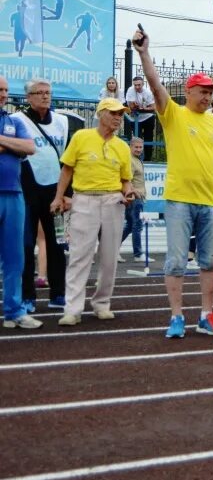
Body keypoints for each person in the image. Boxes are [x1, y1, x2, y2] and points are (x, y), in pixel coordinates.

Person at [134, 28, 213, 339]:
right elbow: (154, 84)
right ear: (189, 92)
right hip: (179, 199)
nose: (208, 96)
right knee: (176, 261)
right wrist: (143, 53)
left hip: (210, 202)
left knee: (209, 261)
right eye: (203, 91)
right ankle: (177, 316)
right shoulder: (173, 115)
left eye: (210, 92)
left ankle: (206, 315)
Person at [49, 98, 134, 326]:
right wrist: (59, 197)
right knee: (79, 256)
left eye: (120, 114)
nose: (118, 118)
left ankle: (102, 303)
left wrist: (128, 192)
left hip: (113, 200)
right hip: (84, 199)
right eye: (114, 113)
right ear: (101, 113)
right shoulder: (81, 137)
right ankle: (72, 309)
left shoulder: (122, 147)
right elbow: (67, 170)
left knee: (109, 258)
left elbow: (125, 180)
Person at [11, 78, 68, 313]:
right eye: (39, 92)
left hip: (54, 192)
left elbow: (67, 160)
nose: (45, 96)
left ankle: (58, 294)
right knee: (25, 245)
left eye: (48, 92)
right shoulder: (17, 120)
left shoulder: (62, 122)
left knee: (57, 245)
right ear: (28, 97)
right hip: (26, 191)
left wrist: (66, 193)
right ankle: (27, 297)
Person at [0, 75, 41, 329]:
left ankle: (14, 311)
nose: (3, 94)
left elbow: (29, 147)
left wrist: (3, 142)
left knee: (15, 257)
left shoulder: (14, 120)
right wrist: (12, 145)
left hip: (14, 195)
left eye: (5, 90)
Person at [120, 138, 149, 262]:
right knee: (137, 225)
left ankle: (113, 249)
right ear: (130, 147)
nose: (138, 149)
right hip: (134, 198)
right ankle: (138, 254)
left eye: (140, 147)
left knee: (131, 225)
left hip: (138, 198)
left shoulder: (137, 160)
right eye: (136, 147)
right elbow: (127, 180)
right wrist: (134, 192)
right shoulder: (130, 161)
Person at [124, 75, 156, 159]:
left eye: (139, 85)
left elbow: (153, 107)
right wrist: (135, 106)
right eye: (135, 85)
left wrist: (145, 108)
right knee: (137, 139)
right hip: (136, 118)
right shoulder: (130, 90)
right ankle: (136, 158)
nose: (137, 87)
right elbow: (131, 106)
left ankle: (148, 160)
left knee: (148, 139)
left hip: (148, 117)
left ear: (143, 84)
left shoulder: (148, 92)